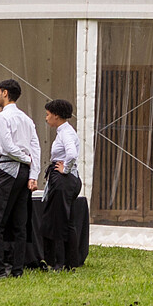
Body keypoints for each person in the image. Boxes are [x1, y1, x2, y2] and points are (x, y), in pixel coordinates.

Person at [0, 79, 41, 278]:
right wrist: (32, 172)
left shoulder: (4, 118)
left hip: (9, 171)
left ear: (4, 93)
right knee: (19, 222)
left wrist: (25, 159)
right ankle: (17, 269)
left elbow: (7, 148)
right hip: (22, 172)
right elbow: (35, 147)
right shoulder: (26, 118)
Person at [42, 98, 87, 270]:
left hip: (63, 180)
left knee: (59, 221)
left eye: (48, 115)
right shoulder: (64, 131)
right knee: (66, 220)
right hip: (68, 179)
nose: (46, 118)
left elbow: (72, 153)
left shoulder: (66, 133)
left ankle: (60, 262)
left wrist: (65, 169)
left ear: (56, 115)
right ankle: (70, 261)